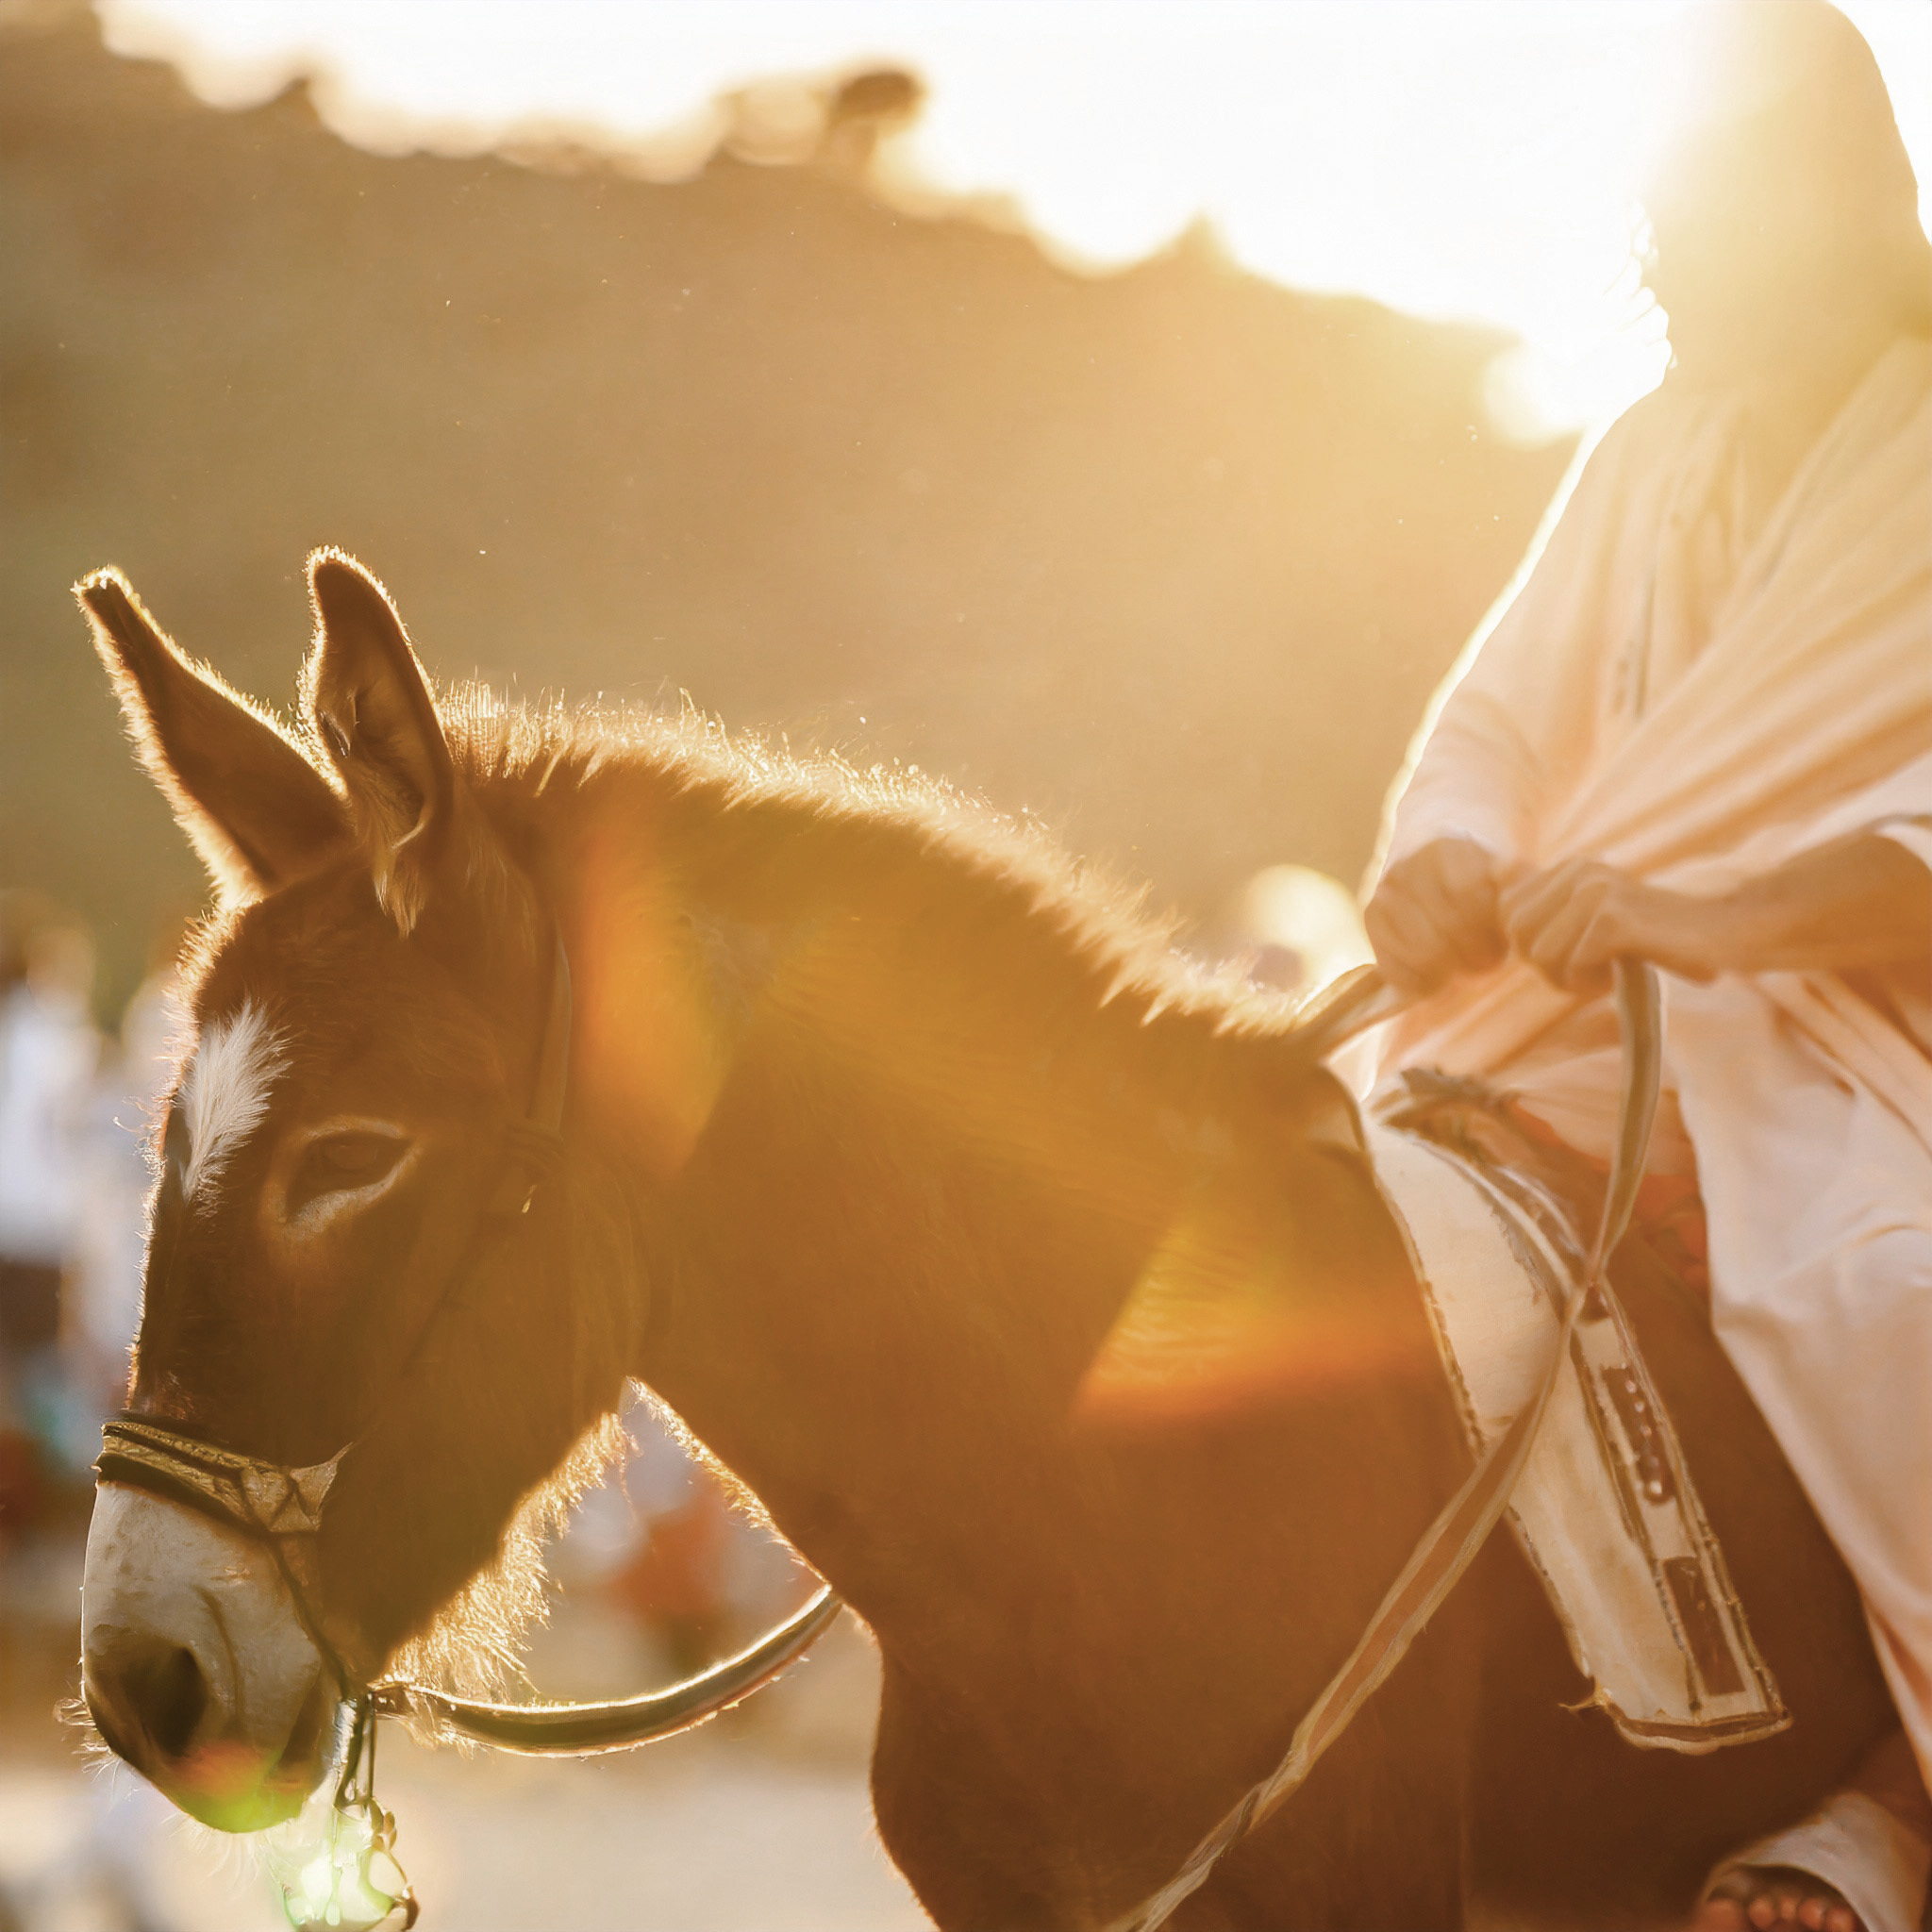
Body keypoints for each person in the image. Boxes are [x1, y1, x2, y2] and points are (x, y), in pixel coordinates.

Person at [1362, 6, 1932, 1929]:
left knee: (1883, 1299)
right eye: (1647, 222)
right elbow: (1492, 722)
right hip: (1566, 1006)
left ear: (1833, 210)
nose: (1656, 266)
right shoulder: (1642, 452)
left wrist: (1713, 920)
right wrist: (1443, 858)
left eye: (1695, 222)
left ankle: (1896, 1817)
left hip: (1864, 1032)